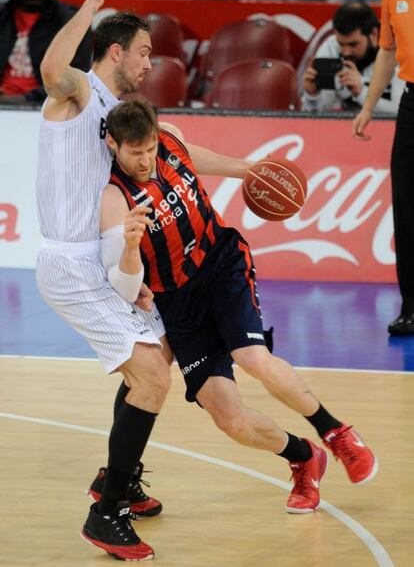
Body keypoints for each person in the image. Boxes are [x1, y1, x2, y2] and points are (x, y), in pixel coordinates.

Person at [99, 97, 378, 524]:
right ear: (114, 145)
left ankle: (336, 431)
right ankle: (305, 457)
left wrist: (246, 168)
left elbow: (193, 157)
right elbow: (124, 284)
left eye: (151, 149)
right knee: (228, 418)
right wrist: (132, 246)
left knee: (253, 357)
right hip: (178, 304)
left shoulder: (170, 139)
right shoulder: (115, 199)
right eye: (135, 152)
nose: (145, 159)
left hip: (220, 265)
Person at [35, 0, 183, 562]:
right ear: (115, 51)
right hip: (68, 266)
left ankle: (114, 477)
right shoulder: (77, 94)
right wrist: (90, 10)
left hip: (97, 262)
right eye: (144, 51)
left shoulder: (120, 117)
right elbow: (49, 67)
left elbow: (171, 144)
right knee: (149, 375)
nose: (151, 61)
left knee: (161, 354)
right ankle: (107, 513)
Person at [353, 0, 414, 335]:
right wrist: (368, 106)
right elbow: (387, 53)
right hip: (411, 103)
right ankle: (410, 307)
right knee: (406, 208)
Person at [0, 0, 92, 105]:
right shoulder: (2, 17)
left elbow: (77, 75)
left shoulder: (70, 21)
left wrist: (26, 99)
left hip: (47, 104)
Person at [302, 1, 404, 114]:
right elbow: (321, 112)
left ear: (374, 35)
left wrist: (361, 93)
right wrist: (312, 96)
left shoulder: (399, 51)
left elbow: (401, 113)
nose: (346, 52)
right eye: (341, 44)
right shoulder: (331, 48)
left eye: (353, 44)